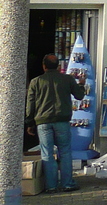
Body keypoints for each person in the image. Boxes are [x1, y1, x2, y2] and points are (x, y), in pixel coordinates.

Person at [25, 53, 86, 194]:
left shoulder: (36, 81)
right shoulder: (67, 79)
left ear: (44, 66)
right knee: (64, 151)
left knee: (47, 153)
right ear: (58, 66)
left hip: (43, 121)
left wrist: (30, 122)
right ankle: (67, 183)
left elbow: (30, 104)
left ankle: (51, 186)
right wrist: (81, 85)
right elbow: (79, 96)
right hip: (62, 120)